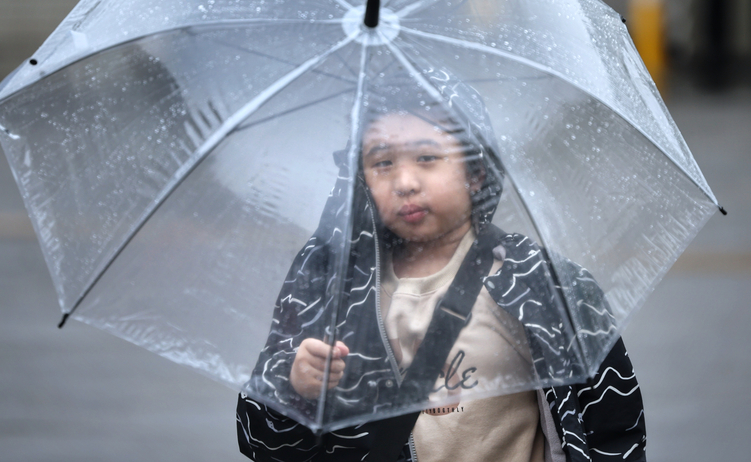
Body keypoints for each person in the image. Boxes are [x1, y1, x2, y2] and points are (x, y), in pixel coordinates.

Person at [236, 71, 646, 462]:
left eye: (427, 157)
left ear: (476, 172)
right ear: (359, 177)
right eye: (382, 163)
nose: (405, 182)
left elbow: (614, 429)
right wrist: (296, 391)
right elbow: (263, 442)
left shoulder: (543, 284)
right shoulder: (330, 282)